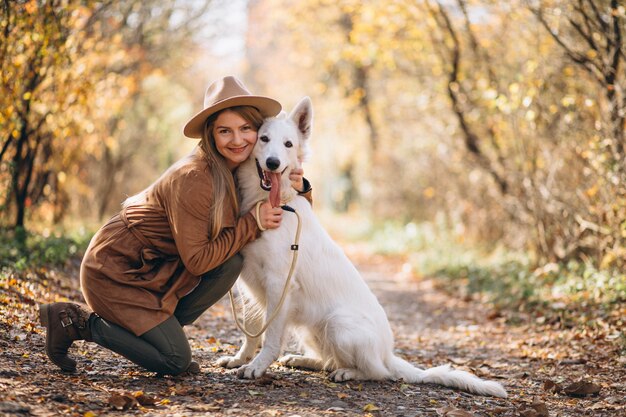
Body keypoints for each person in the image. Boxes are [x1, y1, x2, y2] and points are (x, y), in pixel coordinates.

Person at [39, 76, 312, 375]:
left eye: (245, 129)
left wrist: (302, 186)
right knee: (176, 361)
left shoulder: (241, 169)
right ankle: (77, 322)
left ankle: (155, 331)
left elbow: (295, 219)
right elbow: (197, 262)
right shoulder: (195, 177)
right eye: (225, 131)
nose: (237, 140)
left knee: (231, 263)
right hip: (116, 271)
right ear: (211, 134)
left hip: (156, 272)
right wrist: (251, 222)